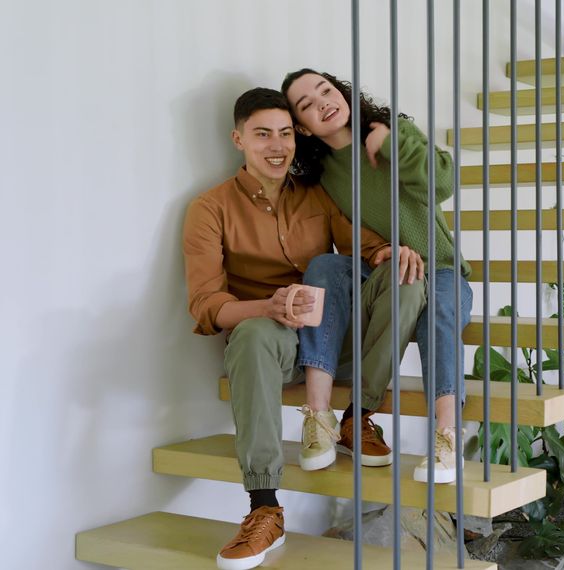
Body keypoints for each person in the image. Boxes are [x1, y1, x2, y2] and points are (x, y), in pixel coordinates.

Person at [182, 87, 425, 570]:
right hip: (272, 339)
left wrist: (389, 250)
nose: (277, 145)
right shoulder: (210, 209)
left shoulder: (316, 195)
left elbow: (362, 245)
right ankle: (265, 507)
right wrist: (265, 307)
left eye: (286, 133)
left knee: (406, 279)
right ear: (239, 139)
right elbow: (206, 305)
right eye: (262, 134)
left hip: (333, 336)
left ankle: (359, 416)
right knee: (250, 334)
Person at [282, 68, 473, 485]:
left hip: (437, 268)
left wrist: (392, 144)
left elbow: (443, 182)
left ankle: (445, 436)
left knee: (438, 312)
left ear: (343, 92)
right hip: (376, 270)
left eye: (326, 91)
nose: (323, 104)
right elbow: (344, 231)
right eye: (307, 105)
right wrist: (379, 249)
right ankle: (318, 417)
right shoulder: (321, 174)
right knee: (323, 267)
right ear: (302, 126)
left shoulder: (392, 133)